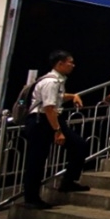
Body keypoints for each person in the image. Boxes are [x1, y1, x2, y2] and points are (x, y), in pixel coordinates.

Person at [23, 50, 90, 209]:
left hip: (49, 120)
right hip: (42, 121)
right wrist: (57, 131)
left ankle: (68, 181)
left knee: (79, 145)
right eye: (70, 62)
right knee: (36, 161)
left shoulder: (57, 81)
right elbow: (49, 108)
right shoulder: (51, 82)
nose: (73, 65)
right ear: (60, 64)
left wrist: (73, 96)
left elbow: (56, 99)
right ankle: (31, 197)